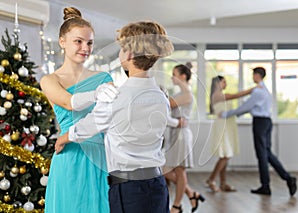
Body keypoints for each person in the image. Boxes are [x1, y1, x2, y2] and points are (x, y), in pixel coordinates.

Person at [55, 21, 174, 213]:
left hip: (128, 189)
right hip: (157, 184)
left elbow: (87, 127)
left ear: (128, 54)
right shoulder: (161, 96)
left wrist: (62, 139)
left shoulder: (115, 97)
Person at [40, 7, 117, 212]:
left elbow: (110, 120)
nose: (85, 47)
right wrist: (97, 93)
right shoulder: (49, 80)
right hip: (69, 158)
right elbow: (69, 102)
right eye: (78, 41)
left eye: (89, 42)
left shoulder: (103, 78)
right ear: (62, 41)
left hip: (99, 158)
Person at [221, 67, 297, 196]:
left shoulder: (258, 91)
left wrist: (227, 114)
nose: (252, 77)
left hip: (260, 123)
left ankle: (267, 185)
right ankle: (287, 179)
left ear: (257, 75)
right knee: (267, 153)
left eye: (253, 75)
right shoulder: (265, 90)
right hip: (267, 121)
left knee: (262, 155)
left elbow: (246, 107)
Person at [163, 63, 205, 213]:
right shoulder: (181, 93)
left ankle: (177, 205)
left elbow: (165, 105)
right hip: (176, 133)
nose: (172, 77)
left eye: (174, 74)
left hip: (181, 135)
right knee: (165, 169)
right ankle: (191, 193)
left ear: (183, 76)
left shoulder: (186, 94)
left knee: (179, 171)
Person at [207, 75, 256, 192]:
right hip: (222, 128)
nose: (226, 84)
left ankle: (223, 183)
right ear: (217, 83)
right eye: (224, 82)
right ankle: (211, 179)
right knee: (226, 155)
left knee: (225, 155)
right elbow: (235, 96)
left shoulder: (220, 95)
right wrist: (252, 89)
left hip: (228, 126)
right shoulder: (217, 95)